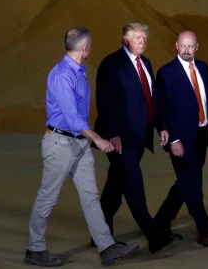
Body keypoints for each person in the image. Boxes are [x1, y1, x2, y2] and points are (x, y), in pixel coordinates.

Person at [26, 27, 140, 267]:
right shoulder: (62, 75)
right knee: (47, 198)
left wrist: (90, 139)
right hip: (60, 145)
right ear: (85, 48)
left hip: (79, 144)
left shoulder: (79, 72)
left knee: (91, 197)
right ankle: (34, 249)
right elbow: (71, 117)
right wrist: (98, 139)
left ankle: (107, 247)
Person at [93, 22, 173, 254]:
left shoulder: (145, 63)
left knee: (114, 189)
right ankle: (153, 236)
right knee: (134, 185)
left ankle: (98, 234)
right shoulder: (112, 64)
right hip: (120, 141)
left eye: (145, 38)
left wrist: (162, 127)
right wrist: (114, 133)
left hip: (139, 138)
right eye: (138, 38)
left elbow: (152, 99)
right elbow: (105, 102)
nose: (143, 41)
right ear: (125, 39)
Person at [154, 30, 208, 247]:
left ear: (197, 46)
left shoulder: (204, 68)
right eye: (182, 46)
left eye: (190, 46)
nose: (186, 50)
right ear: (176, 46)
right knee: (193, 184)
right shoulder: (167, 73)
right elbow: (163, 110)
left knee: (185, 183)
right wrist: (173, 140)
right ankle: (204, 230)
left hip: (201, 136)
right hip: (180, 139)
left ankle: (160, 221)